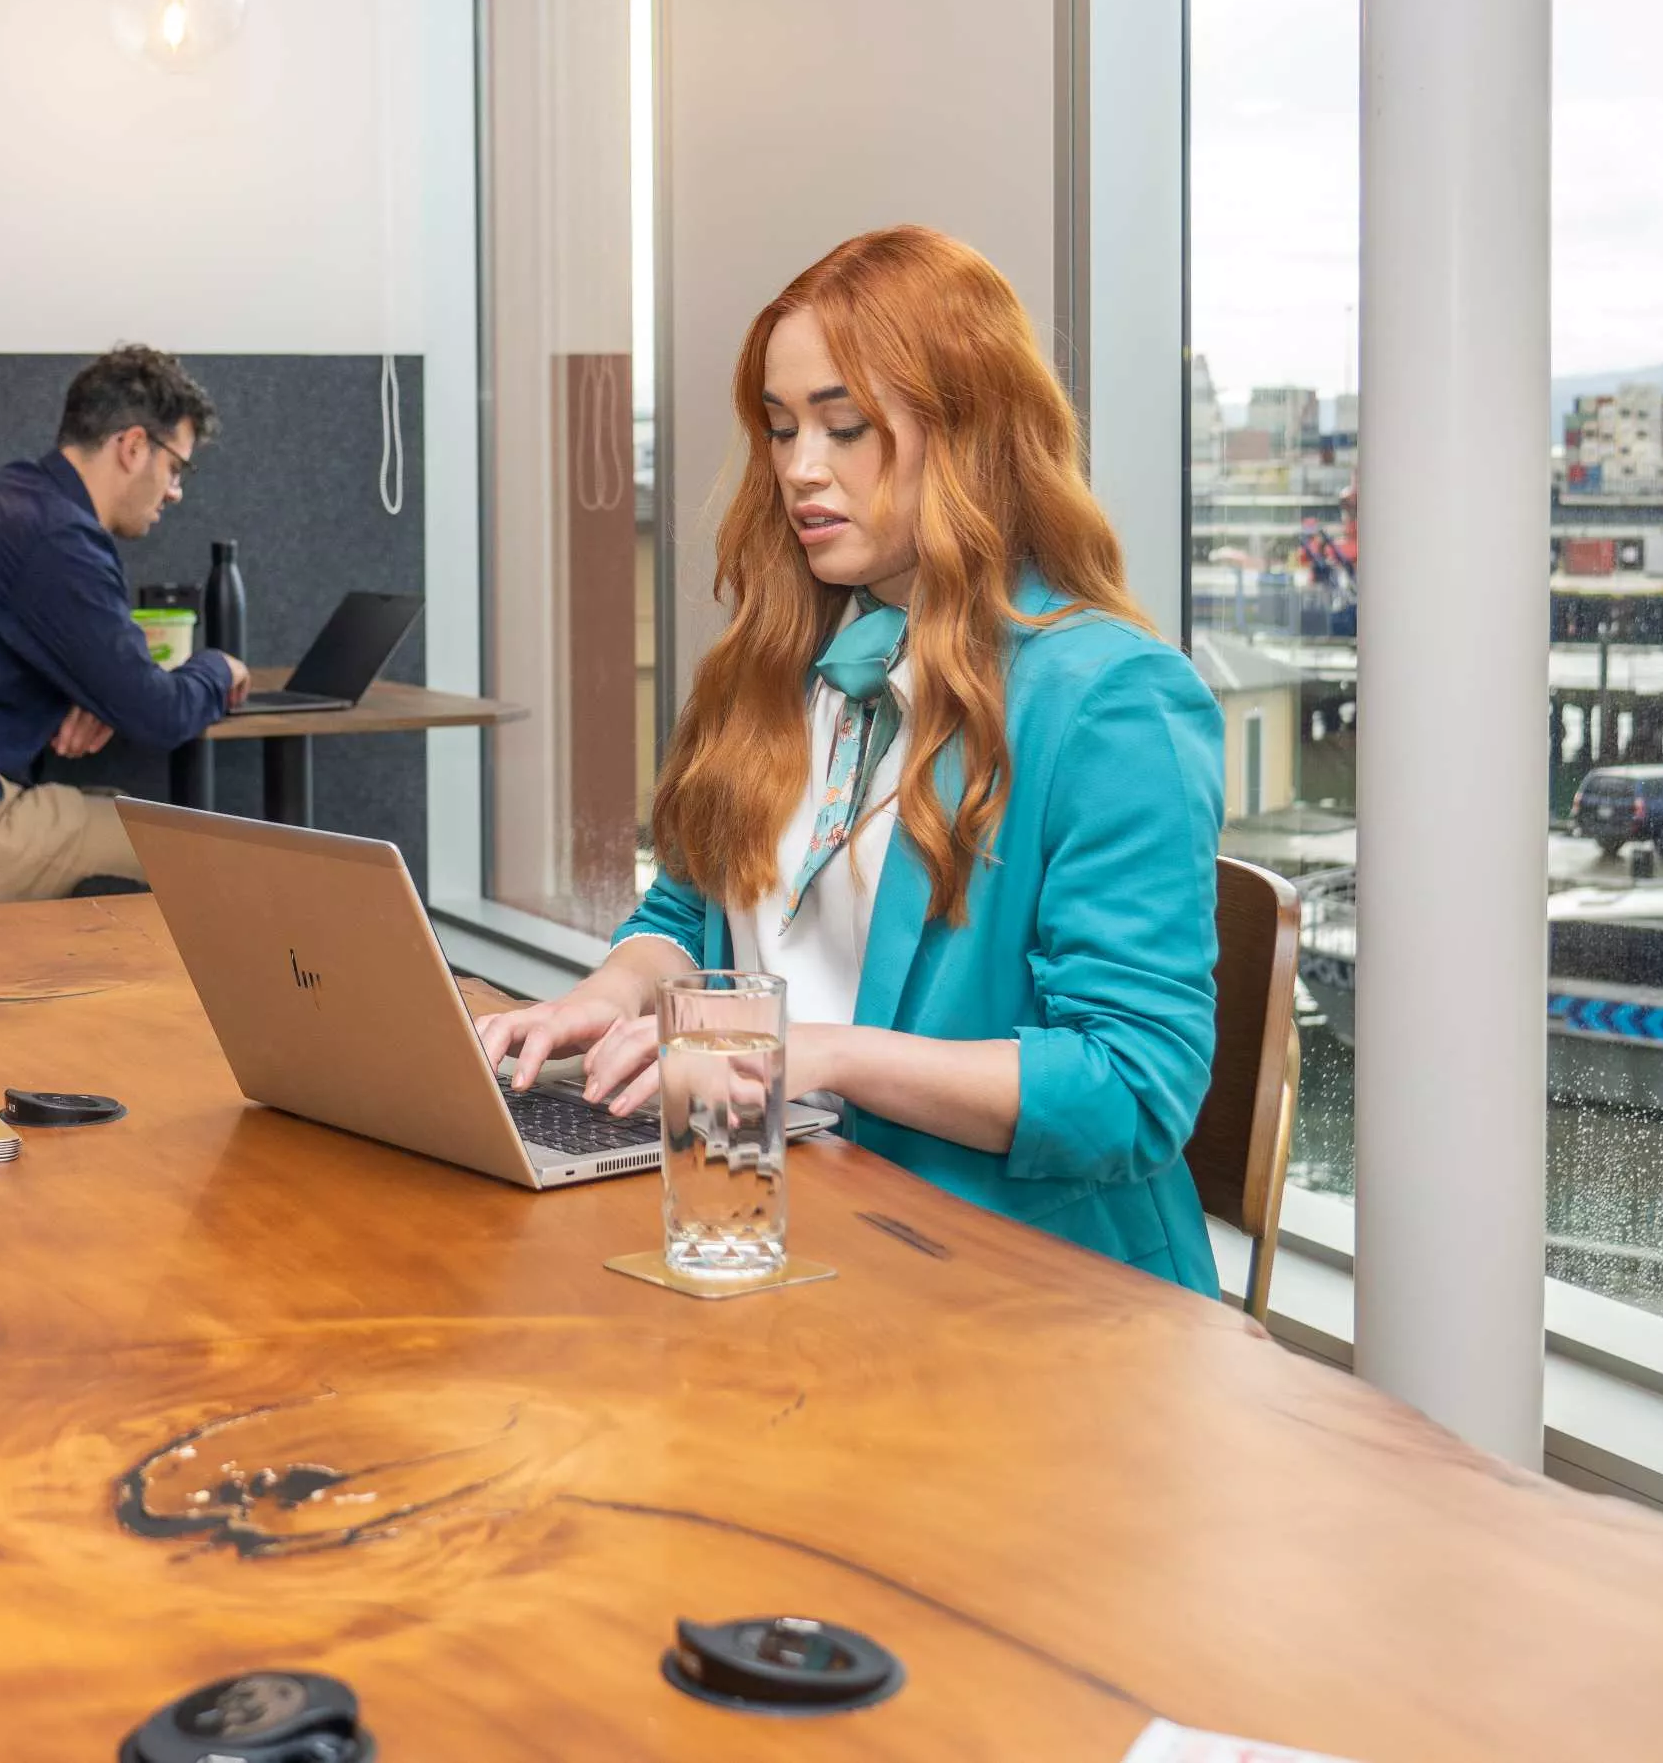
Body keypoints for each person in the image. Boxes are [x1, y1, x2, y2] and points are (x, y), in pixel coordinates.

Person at [474, 225, 1226, 1292]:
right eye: (781, 429)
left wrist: (807, 1053)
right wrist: (612, 992)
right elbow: (689, 916)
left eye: (845, 426)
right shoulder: (781, 663)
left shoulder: (1111, 700)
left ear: (971, 430)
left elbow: (1130, 1088)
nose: (799, 469)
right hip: (778, 1224)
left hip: (1022, 1293)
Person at [0, 344, 255, 905]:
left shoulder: (19, 494)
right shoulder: (59, 542)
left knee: (133, 813)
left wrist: (92, 692)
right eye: (176, 468)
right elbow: (160, 714)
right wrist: (219, 668)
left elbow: (96, 671)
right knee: (199, 850)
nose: (175, 491)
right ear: (133, 446)